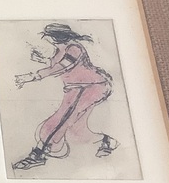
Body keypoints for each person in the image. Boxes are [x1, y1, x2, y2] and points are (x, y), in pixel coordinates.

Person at [11, 22, 118, 170]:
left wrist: (33, 76)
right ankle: (107, 142)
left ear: (55, 37)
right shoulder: (59, 50)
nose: (46, 38)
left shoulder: (74, 48)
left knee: (60, 120)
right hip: (76, 89)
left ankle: (38, 155)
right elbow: (58, 65)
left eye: (47, 36)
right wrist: (42, 60)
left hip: (90, 87)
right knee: (76, 131)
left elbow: (62, 67)